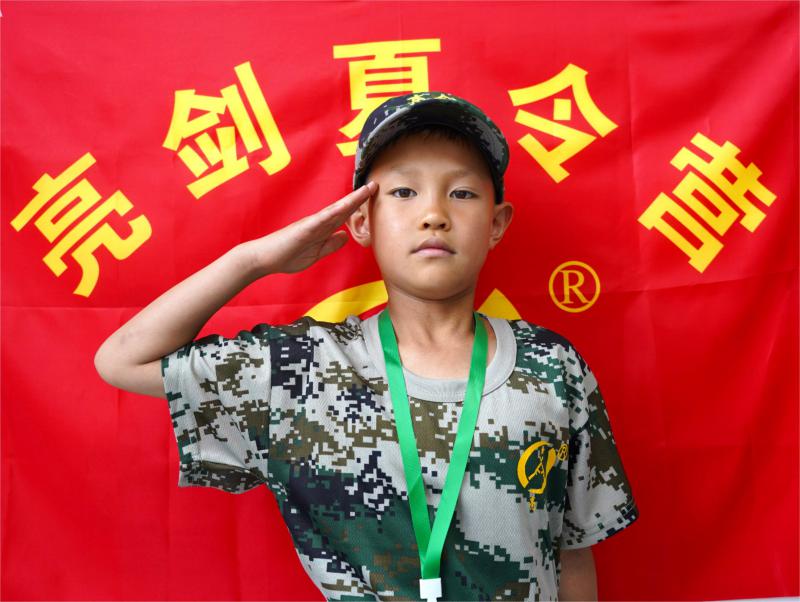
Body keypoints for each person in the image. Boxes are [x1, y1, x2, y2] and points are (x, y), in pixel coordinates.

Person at [94, 91, 638, 601]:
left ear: (496, 224)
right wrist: (252, 260)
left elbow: (572, 550)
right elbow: (122, 361)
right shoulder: (303, 369)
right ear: (361, 220)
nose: (434, 213)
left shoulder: (551, 366)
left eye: (462, 193)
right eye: (403, 192)